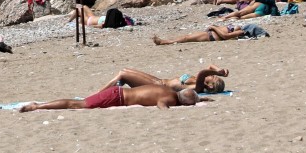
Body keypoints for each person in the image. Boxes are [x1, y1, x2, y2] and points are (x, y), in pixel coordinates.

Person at [19, 82, 200, 112]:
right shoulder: (170, 99)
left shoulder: (168, 89)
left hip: (118, 92)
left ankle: (40, 105)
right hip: (117, 97)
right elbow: (162, 105)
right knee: (78, 104)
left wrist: (202, 99)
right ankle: (37, 106)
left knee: (80, 103)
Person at [101, 64, 228, 95]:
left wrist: (217, 73)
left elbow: (203, 72)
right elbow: (210, 66)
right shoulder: (197, 81)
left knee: (123, 74)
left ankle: (98, 94)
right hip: (158, 81)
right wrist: (220, 70)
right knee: (125, 71)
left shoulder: (198, 87)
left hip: (157, 87)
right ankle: (105, 93)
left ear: (210, 86)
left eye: (213, 77)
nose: (212, 75)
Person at [151, 23, 269, 44]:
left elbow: (225, 36)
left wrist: (213, 27)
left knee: (186, 38)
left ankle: (164, 42)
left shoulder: (240, 31)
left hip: (211, 36)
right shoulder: (239, 28)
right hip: (211, 34)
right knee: (186, 37)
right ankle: (165, 41)